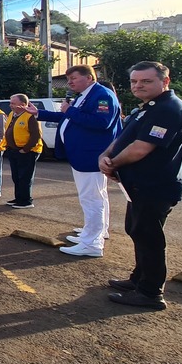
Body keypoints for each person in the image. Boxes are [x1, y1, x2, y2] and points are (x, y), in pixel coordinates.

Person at [99, 61, 182, 310]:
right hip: (138, 186)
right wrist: (105, 156)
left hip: (155, 186)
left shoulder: (168, 109)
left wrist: (112, 164)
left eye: (146, 81)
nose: (138, 86)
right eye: (134, 81)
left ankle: (150, 293)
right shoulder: (148, 108)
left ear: (165, 81)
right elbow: (123, 138)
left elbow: (140, 148)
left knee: (149, 238)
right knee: (137, 231)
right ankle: (138, 280)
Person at [28, 65, 122, 259]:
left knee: (91, 198)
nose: (69, 82)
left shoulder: (101, 95)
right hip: (84, 154)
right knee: (97, 196)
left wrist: (70, 111)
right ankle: (97, 231)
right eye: (68, 78)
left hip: (91, 155)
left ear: (89, 78)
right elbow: (66, 117)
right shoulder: (85, 95)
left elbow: (101, 122)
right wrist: (38, 113)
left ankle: (92, 243)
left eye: (73, 78)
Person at [2, 93, 42, 209]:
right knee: (16, 176)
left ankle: (26, 201)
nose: (11, 105)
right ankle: (18, 198)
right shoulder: (12, 115)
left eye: (13, 103)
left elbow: (36, 135)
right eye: (11, 103)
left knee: (25, 177)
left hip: (27, 151)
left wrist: (25, 149)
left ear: (23, 105)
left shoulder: (30, 116)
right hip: (14, 150)